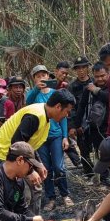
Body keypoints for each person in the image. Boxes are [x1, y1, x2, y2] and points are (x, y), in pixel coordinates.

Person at [0, 88, 76, 215]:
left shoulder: (46, 117)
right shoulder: (35, 116)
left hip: (16, 155)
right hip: (1, 154)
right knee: (20, 194)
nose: (67, 115)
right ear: (58, 106)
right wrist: (30, 171)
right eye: (67, 111)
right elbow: (17, 144)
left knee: (36, 187)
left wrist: (39, 164)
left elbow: (30, 145)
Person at [26, 65, 73, 211]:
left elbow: (64, 117)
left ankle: (65, 195)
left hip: (56, 135)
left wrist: (65, 137)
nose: (41, 78)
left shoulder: (56, 93)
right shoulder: (33, 95)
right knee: (44, 168)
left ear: (48, 76)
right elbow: (27, 103)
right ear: (34, 79)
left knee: (59, 166)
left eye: (43, 75)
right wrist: (35, 89)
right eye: (38, 76)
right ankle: (51, 198)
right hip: (41, 137)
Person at [73, 62, 110, 183]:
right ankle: (104, 178)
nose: (100, 79)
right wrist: (77, 125)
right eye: (97, 76)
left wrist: (97, 91)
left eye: (103, 75)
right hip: (94, 126)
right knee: (99, 151)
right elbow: (81, 107)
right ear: (93, 75)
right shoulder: (88, 89)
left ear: (108, 73)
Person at [67, 56, 94, 177]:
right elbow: (71, 108)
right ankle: (89, 172)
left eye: (83, 67)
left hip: (96, 121)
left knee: (101, 148)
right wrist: (73, 126)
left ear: (88, 68)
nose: (81, 70)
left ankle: (104, 173)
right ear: (75, 70)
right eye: (78, 68)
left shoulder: (95, 82)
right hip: (80, 123)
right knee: (83, 148)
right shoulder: (72, 87)